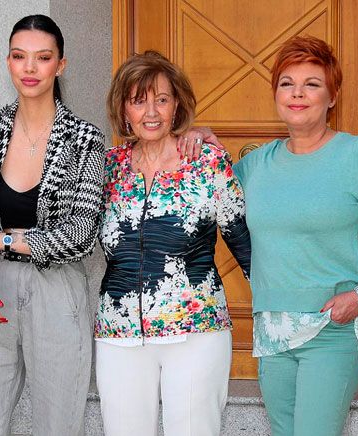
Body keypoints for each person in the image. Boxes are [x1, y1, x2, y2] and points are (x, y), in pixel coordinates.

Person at [0, 15, 104, 436]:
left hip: (58, 288)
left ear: (60, 66)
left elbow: (81, 236)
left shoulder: (84, 139)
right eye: (19, 56)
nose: (29, 68)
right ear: (8, 62)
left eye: (42, 57)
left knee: (58, 422)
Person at [232, 36, 358, 436]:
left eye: (312, 84)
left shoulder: (356, 156)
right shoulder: (255, 165)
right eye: (287, 83)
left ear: (332, 96)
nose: (298, 94)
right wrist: (197, 138)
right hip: (271, 330)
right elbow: (202, 198)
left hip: (334, 329)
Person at [95, 50, 251, 436]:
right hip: (119, 333)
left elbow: (244, 243)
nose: (151, 112)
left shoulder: (207, 163)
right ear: (123, 109)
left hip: (196, 330)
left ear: (176, 105)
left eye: (161, 100)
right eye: (138, 100)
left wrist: (284, 304)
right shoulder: (106, 168)